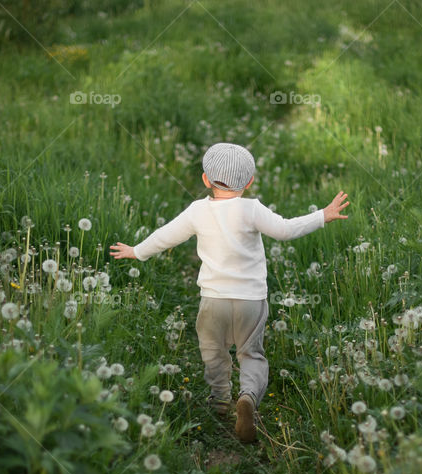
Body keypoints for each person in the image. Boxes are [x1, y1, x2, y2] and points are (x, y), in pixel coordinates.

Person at [109, 142, 350, 443]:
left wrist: (137, 251)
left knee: (213, 351)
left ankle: (220, 399)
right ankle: (247, 397)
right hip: (250, 299)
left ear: (205, 180)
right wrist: (321, 216)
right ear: (248, 183)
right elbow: (286, 230)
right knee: (251, 354)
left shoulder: (198, 210)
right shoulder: (251, 209)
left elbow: (165, 235)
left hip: (213, 300)